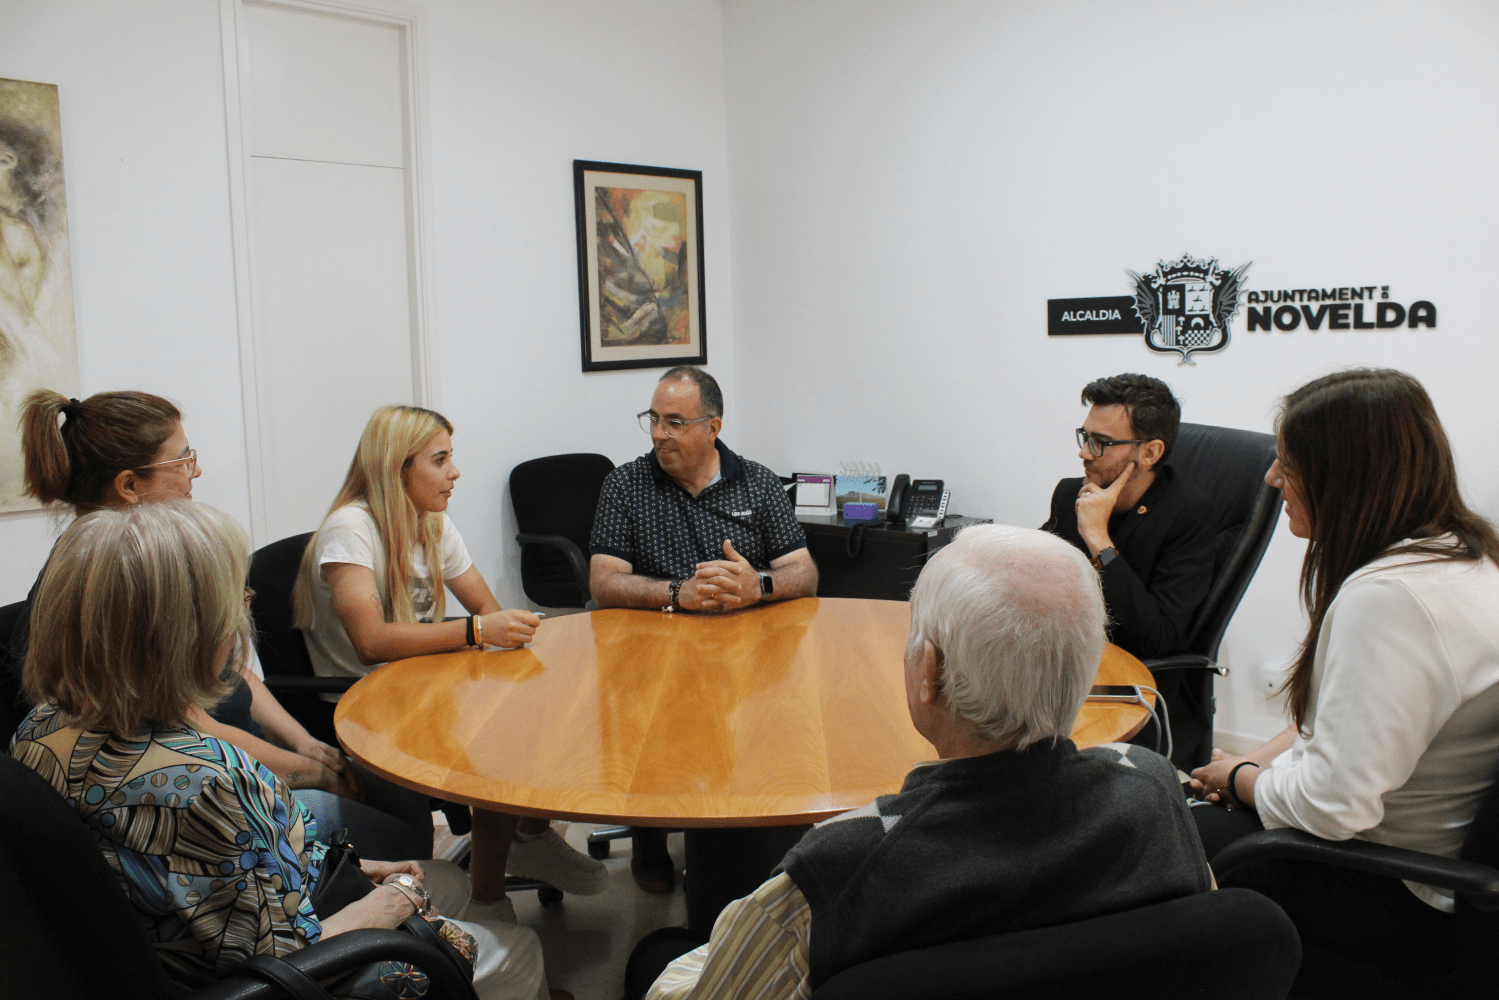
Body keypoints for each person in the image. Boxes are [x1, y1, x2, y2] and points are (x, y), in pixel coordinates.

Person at [625, 524, 1210, 999]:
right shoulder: (1154, 789)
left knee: (656, 955)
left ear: (928, 671)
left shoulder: (833, 870)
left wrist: (707, 949)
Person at [11, 501, 548, 1000]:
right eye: (235, 602)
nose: (239, 618)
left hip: (163, 952)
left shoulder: (38, 730)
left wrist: (356, 868)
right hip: (276, 980)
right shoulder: (211, 780)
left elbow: (215, 873)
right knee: (518, 948)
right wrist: (394, 900)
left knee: (448, 878)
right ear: (189, 634)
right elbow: (289, 961)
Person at [1188, 369, 1499, 996]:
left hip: (1386, 888)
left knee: (1161, 839)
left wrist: (1241, 778)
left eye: (1287, 462)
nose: (1271, 478)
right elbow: (1348, 723)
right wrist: (1259, 761)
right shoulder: (1464, 558)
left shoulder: (1391, 601)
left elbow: (1333, 808)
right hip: (1427, 871)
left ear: (1345, 473)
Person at [294, 404, 607, 921]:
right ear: (398, 469)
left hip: (420, 682)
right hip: (363, 702)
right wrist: (478, 632)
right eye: (440, 460)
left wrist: (493, 629)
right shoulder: (350, 529)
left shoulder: (433, 522)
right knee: (495, 740)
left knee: (546, 703)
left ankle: (529, 836)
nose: (455, 472)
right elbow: (371, 641)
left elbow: (487, 609)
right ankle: (488, 898)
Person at [9, 389, 363, 820]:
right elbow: (193, 729)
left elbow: (230, 667)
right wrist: (313, 773)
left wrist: (302, 742)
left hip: (240, 763)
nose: (195, 470)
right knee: (387, 817)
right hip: (209, 786)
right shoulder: (114, 594)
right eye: (182, 460)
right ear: (129, 486)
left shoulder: (159, 564)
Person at [589, 365, 818, 890]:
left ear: (712, 427)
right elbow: (604, 581)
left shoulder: (758, 482)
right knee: (647, 719)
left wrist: (758, 585)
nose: (658, 434)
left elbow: (803, 572)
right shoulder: (626, 484)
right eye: (653, 419)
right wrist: (677, 593)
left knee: (767, 725)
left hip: (745, 650)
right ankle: (649, 833)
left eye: (675, 422)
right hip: (652, 647)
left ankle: (746, 835)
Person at [1041, 373, 1215, 763]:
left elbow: (1158, 638)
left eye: (1101, 443)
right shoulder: (1072, 494)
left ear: (1149, 452)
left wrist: (1099, 540)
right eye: (1085, 437)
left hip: (1130, 688)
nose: (1085, 454)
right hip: (1063, 670)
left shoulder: (1188, 515)